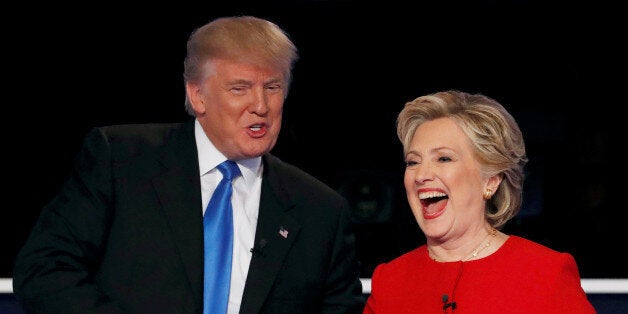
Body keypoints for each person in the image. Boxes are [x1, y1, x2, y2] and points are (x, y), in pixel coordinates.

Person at [13, 16, 364, 314]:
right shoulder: (120, 161)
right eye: (240, 88)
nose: (261, 105)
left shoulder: (320, 210)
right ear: (198, 95)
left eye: (272, 87)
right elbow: (44, 272)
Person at [363, 90, 596, 313]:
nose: (421, 175)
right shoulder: (390, 280)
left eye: (444, 158)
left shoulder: (545, 272)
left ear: (491, 182)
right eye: (413, 162)